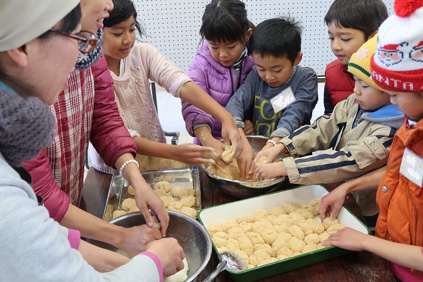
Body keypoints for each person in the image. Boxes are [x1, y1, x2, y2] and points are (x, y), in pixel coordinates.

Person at [0, 0, 184, 280]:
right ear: (22, 48)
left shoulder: (17, 117)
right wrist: (152, 263)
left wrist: (135, 179)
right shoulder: (9, 192)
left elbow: (105, 119)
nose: (110, 3)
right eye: (80, 39)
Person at [254, 35, 405, 224]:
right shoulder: (356, 102)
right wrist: (282, 146)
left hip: (372, 208)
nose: (356, 90)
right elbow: (323, 127)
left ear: (391, 90)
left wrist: (284, 166)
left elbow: (346, 160)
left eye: (365, 85)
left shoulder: (390, 131)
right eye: (355, 81)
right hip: (342, 194)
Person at [322, 1, 423, 280]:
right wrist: (349, 186)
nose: (391, 101)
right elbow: (401, 174)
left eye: (395, 94)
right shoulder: (412, 125)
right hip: (393, 256)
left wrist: (366, 242)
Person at [88, 0, 232, 174]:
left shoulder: (142, 54)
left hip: (155, 158)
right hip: (113, 168)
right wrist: (172, 152)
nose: (128, 39)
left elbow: (177, 81)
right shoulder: (90, 74)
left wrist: (225, 117)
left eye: (132, 29)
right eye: (118, 33)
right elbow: (117, 134)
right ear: (96, 32)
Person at [225, 17, 318, 178]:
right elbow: (235, 103)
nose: (268, 77)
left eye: (277, 69)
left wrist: (273, 144)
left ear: (297, 59)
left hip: (293, 156)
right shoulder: (255, 75)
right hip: (262, 146)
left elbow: (293, 116)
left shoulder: (304, 79)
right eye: (261, 68)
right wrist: (241, 133)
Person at [182, 0, 255, 167]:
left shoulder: (258, 62)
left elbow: (268, 97)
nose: (223, 54)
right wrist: (209, 141)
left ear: (247, 36)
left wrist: (252, 121)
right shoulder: (200, 66)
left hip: (248, 142)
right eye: (214, 46)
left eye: (231, 46)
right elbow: (192, 107)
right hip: (212, 143)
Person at [323, 0, 388, 114]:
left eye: (345, 39)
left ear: (373, 36)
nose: (335, 46)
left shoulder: (389, 74)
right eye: (331, 38)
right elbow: (329, 117)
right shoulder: (331, 73)